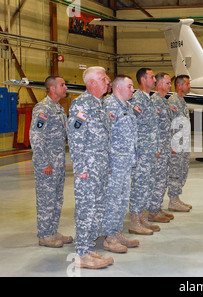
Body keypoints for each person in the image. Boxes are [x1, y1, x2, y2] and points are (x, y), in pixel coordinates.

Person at [68, 66, 113, 269]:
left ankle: (87, 248)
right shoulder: (81, 105)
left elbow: (105, 138)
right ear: (92, 83)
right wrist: (81, 168)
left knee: (97, 209)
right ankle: (81, 254)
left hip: (101, 168)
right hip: (88, 169)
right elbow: (76, 138)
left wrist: (108, 164)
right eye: (104, 78)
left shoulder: (100, 104)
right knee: (86, 210)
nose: (108, 81)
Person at [29, 75, 73, 248]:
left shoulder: (59, 108)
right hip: (46, 164)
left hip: (57, 163)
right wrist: (44, 162)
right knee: (46, 199)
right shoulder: (43, 109)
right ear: (52, 88)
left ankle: (53, 230)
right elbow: (36, 137)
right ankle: (45, 234)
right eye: (62, 85)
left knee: (56, 198)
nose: (66, 87)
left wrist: (59, 161)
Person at [102, 75, 140, 253]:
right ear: (118, 88)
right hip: (114, 164)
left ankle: (117, 232)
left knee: (122, 200)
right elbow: (105, 138)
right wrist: (108, 164)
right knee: (113, 200)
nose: (133, 89)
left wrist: (134, 156)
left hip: (125, 163)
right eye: (130, 86)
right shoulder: (109, 106)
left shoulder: (126, 106)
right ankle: (109, 238)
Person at [128, 68, 161, 233]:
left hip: (149, 152)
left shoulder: (149, 99)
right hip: (140, 153)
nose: (154, 80)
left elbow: (153, 128)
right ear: (143, 79)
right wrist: (135, 153)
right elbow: (131, 127)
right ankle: (134, 222)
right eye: (152, 77)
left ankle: (141, 217)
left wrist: (155, 149)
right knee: (139, 186)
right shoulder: (137, 99)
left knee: (147, 186)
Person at [148, 73, 174, 223]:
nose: (170, 85)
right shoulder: (155, 101)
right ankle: (152, 211)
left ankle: (157, 208)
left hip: (165, 147)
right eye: (167, 83)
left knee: (163, 179)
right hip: (159, 149)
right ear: (159, 84)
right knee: (157, 179)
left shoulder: (164, 101)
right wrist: (156, 148)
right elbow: (153, 127)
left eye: (170, 83)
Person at [167, 75, 192, 212]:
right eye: (187, 84)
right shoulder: (173, 101)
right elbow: (169, 124)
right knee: (175, 172)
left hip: (184, 144)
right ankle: (172, 200)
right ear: (179, 85)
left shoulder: (182, 101)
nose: (189, 86)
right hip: (177, 145)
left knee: (182, 171)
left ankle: (176, 198)